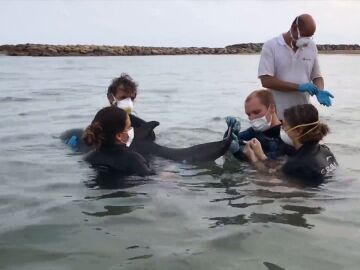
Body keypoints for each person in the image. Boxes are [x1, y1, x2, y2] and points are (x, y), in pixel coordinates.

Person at [258, 14, 334, 120]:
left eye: (310, 36)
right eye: (304, 36)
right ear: (294, 28)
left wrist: (320, 90)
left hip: (303, 115)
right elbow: (266, 81)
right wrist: (299, 87)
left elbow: (317, 76)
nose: (307, 40)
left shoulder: (311, 46)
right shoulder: (271, 46)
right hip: (278, 116)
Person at [244, 104, 338, 183]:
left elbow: (273, 181)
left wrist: (254, 160)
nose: (282, 129)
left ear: (298, 131)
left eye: (285, 125)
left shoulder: (297, 164)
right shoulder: (326, 151)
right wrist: (262, 156)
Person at [64, 73, 156, 150]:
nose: (128, 102)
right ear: (110, 98)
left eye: (132, 98)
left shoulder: (141, 126)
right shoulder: (101, 120)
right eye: (123, 97)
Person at [83, 106, 154, 177]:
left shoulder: (88, 157)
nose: (132, 129)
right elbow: (151, 179)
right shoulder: (134, 159)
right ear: (119, 136)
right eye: (129, 127)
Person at [225, 89, 294, 160]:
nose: (252, 118)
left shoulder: (287, 136)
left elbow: (272, 165)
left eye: (256, 112)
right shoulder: (254, 131)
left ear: (272, 108)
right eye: (248, 114)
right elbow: (228, 144)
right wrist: (230, 132)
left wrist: (237, 153)